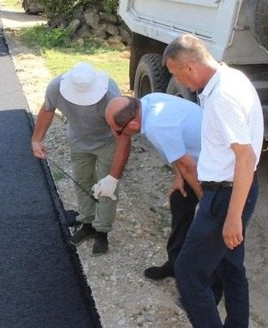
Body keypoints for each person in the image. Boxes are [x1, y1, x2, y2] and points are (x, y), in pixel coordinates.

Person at [161, 33, 263, 328]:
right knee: (231, 269)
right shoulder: (230, 77)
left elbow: (244, 157)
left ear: (189, 66)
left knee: (189, 271)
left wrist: (233, 217)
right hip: (234, 190)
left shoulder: (223, 97)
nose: (177, 80)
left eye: (176, 73)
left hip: (227, 195)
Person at [100, 94, 204, 282]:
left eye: (118, 131)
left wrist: (205, 203)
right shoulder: (148, 102)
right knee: (179, 201)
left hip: (213, 168)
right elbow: (177, 147)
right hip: (192, 162)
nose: (117, 135)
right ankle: (175, 263)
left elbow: (190, 166)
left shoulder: (157, 126)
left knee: (211, 224)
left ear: (131, 126)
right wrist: (179, 177)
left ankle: (207, 287)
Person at [31, 62, 121, 255]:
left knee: (106, 188)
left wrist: (114, 176)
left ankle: (102, 231)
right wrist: (36, 139)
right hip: (78, 141)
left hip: (108, 142)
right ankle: (87, 222)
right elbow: (47, 109)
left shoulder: (110, 94)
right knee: (82, 180)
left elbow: (122, 135)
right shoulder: (56, 88)